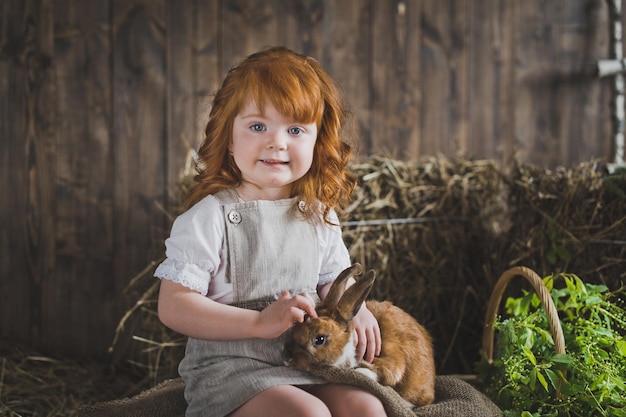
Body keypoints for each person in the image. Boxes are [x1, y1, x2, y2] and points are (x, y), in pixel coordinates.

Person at [155, 46, 385, 417]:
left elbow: (332, 285)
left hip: (307, 361)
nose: (277, 142)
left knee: (367, 407)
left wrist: (354, 313)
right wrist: (260, 322)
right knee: (309, 415)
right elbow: (173, 306)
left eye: (295, 129)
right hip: (231, 371)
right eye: (258, 126)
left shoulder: (317, 214)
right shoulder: (209, 217)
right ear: (228, 137)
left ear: (317, 141)